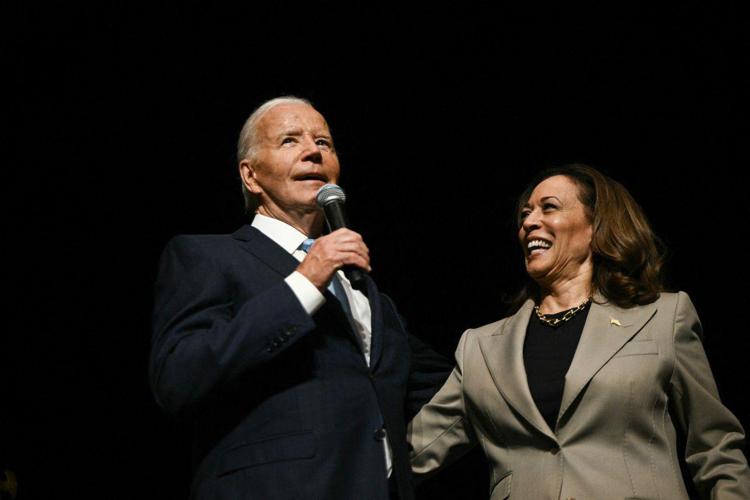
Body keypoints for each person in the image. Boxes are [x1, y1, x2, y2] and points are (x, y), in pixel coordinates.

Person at [150, 96, 450, 500]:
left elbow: (455, 389)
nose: (313, 151)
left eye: (324, 143)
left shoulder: (369, 295)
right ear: (251, 176)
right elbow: (179, 378)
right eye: (290, 140)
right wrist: (306, 281)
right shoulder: (206, 257)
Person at [407, 164, 750, 499]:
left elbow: (715, 447)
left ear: (595, 225)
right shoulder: (480, 348)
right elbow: (410, 454)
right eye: (525, 214)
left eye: (548, 208)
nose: (529, 222)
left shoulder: (663, 317)